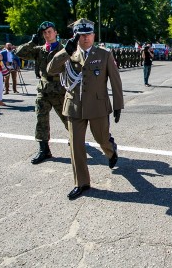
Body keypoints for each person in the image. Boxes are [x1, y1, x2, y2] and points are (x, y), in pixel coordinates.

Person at [47, 18, 124, 200]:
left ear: (94, 35)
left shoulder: (104, 54)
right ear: (75, 37)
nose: (85, 38)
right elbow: (50, 69)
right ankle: (81, 183)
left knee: (101, 138)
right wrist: (66, 51)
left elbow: (115, 81)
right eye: (80, 35)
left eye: (88, 34)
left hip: (98, 106)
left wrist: (118, 105)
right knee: (76, 146)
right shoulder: (68, 53)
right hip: (74, 106)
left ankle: (110, 151)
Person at [15, 21, 69, 164]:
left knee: (68, 119)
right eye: (44, 32)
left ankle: (76, 140)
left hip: (59, 90)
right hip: (43, 89)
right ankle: (44, 150)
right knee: (41, 120)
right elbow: (19, 53)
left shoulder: (64, 49)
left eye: (50, 31)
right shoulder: (39, 49)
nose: (47, 34)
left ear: (56, 32)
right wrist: (32, 43)